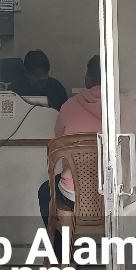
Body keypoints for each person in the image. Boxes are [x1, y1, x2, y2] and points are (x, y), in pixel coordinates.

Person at [37, 55, 103, 256]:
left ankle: (61, 257)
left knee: (45, 191)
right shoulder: (128, 106)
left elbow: (59, 138)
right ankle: (127, 258)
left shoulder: (69, 106)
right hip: (114, 193)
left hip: (73, 195)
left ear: (87, 79)